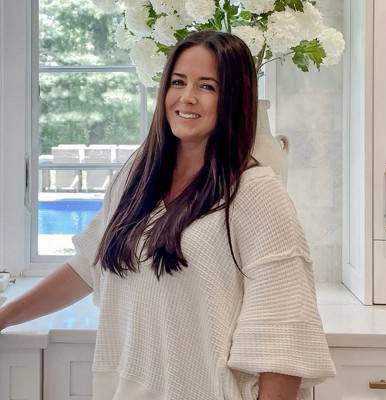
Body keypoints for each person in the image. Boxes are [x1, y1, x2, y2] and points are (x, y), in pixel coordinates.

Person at [0, 30, 336, 400]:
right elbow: (87, 265)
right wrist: (3, 316)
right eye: (178, 82)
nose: (186, 97)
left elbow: (284, 338)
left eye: (207, 86)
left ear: (234, 99)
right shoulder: (137, 175)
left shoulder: (256, 193)